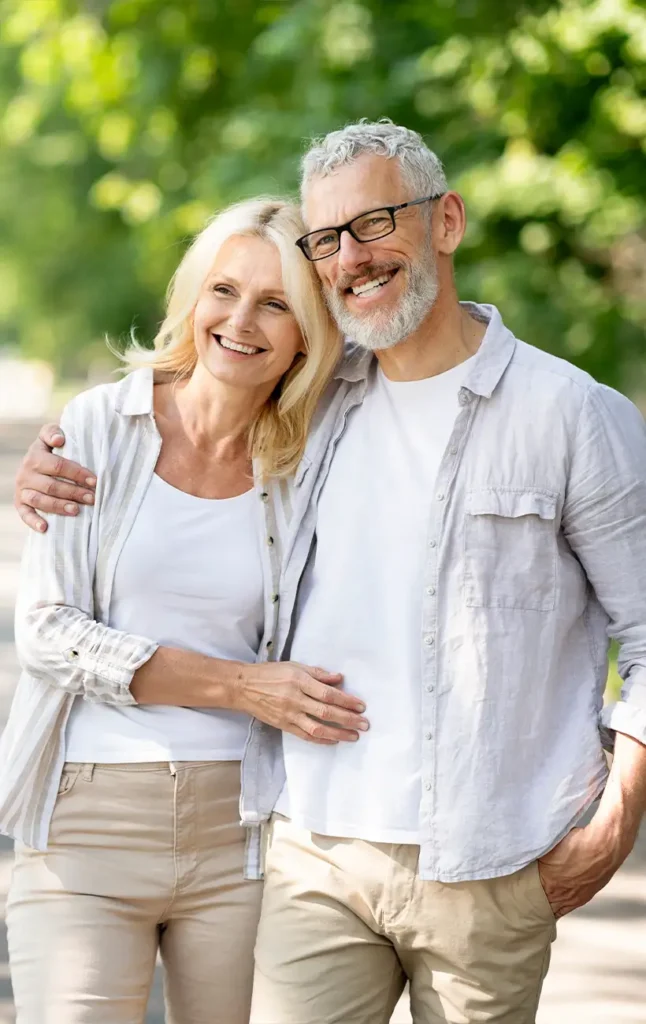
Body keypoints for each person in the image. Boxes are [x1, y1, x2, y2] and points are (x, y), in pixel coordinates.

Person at [14, 121, 646, 1024]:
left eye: (378, 221)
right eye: (329, 240)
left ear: (447, 222)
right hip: (308, 849)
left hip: (485, 857)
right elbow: (185, 421)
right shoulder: (313, 407)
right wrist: (51, 462)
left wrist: (616, 819)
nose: (352, 256)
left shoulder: (570, 414)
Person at [2, 196, 369, 1024]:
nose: (242, 320)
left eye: (278, 303)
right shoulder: (101, 426)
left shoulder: (313, 453)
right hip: (85, 824)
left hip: (244, 836)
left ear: (311, 333)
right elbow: (50, 634)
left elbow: (418, 348)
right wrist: (242, 687)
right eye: (224, 290)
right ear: (192, 297)